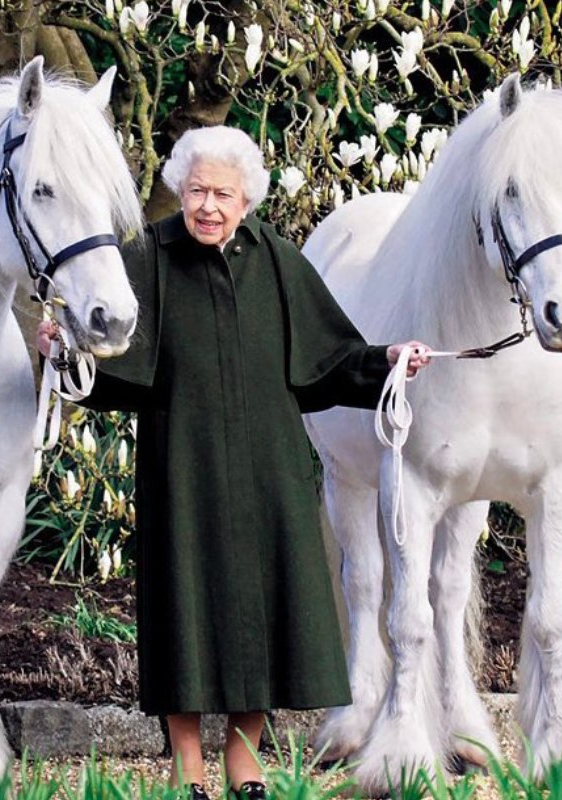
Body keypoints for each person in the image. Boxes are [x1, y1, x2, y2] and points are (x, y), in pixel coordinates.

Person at [36, 126, 431, 800]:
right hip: (179, 464)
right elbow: (108, 367)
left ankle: (244, 757)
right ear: (178, 193)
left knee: (266, 611)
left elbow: (329, 361)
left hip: (267, 468)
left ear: (247, 199)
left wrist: (388, 360)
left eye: (222, 193)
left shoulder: (276, 258)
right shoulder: (149, 257)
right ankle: (187, 762)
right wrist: (62, 351)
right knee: (180, 608)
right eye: (196, 191)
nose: (208, 206)